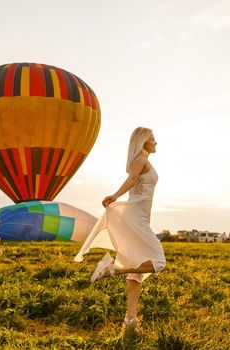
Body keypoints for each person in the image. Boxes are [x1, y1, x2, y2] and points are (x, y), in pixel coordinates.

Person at [74, 127, 166, 333]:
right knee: (158, 262)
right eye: (152, 138)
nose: (156, 142)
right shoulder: (139, 160)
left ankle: (130, 321)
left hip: (141, 216)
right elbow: (132, 180)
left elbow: (136, 182)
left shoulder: (144, 160)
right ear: (142, 141)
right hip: (135, 217)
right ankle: (113, 270)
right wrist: (115, 196)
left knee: (136, 271)